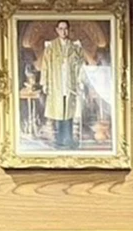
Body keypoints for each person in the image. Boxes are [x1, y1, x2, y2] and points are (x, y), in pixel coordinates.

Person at [40, 20, 84, 149]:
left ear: (69, 30)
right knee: (58, 110)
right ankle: (59, 140)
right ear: (57, 30)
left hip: (70, 82)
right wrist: (45, 82)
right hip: (56, 83)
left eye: (65, 29)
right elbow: (45, 65)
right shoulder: (51, 47)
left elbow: (80, 65)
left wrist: (80, 81)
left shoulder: (75, 46)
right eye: (61, 28)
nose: (63, 31)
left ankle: (69, 139)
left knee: (69, 110)